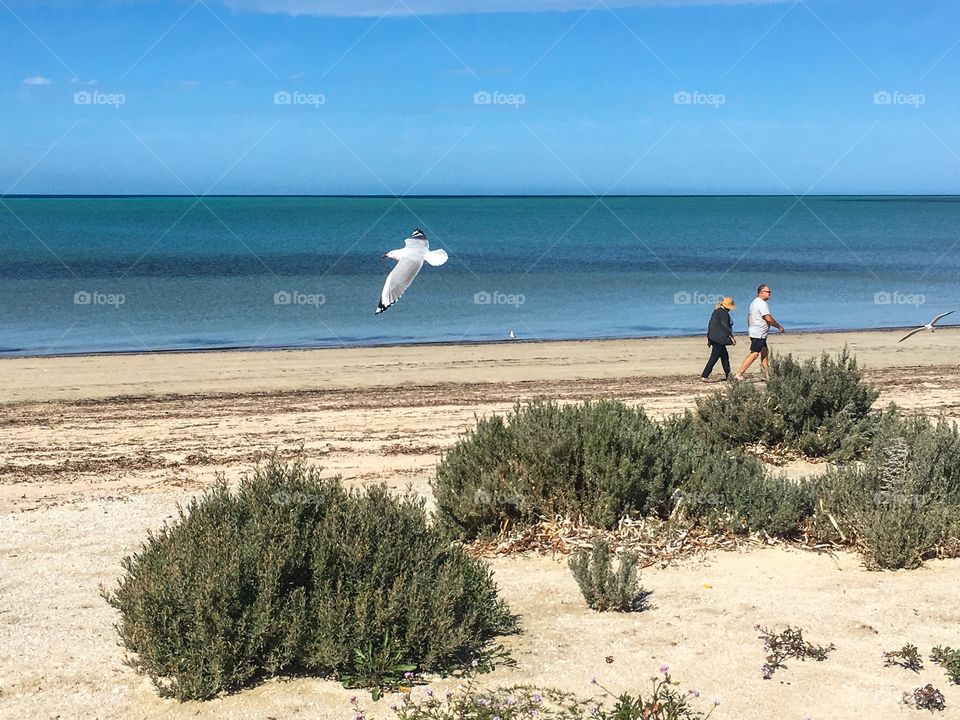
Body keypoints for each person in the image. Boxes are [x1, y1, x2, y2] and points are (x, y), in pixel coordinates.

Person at [735, 284, 785, 381]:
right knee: (754, 354)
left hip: (756, 332)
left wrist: (750, 327)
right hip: (758, 334)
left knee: (765, 352)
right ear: (761, 292)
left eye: (770, 292)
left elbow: (749, 316)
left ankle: (768, 375)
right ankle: (739, 374)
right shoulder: (761, 304)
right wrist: (779, 327)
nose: (770, 294)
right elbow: (768, 318)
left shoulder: (754, 302)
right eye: (768, 292)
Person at [701, 297, 736, 381]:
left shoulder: (717, 311)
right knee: (714, 357)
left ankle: (728, 375)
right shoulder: (723, 313)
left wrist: (709, 339)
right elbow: (725, 326)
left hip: (714, 337)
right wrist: (731, 337)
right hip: (718, 338)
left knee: (724, 356)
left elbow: (711, 325)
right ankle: (705, 375)